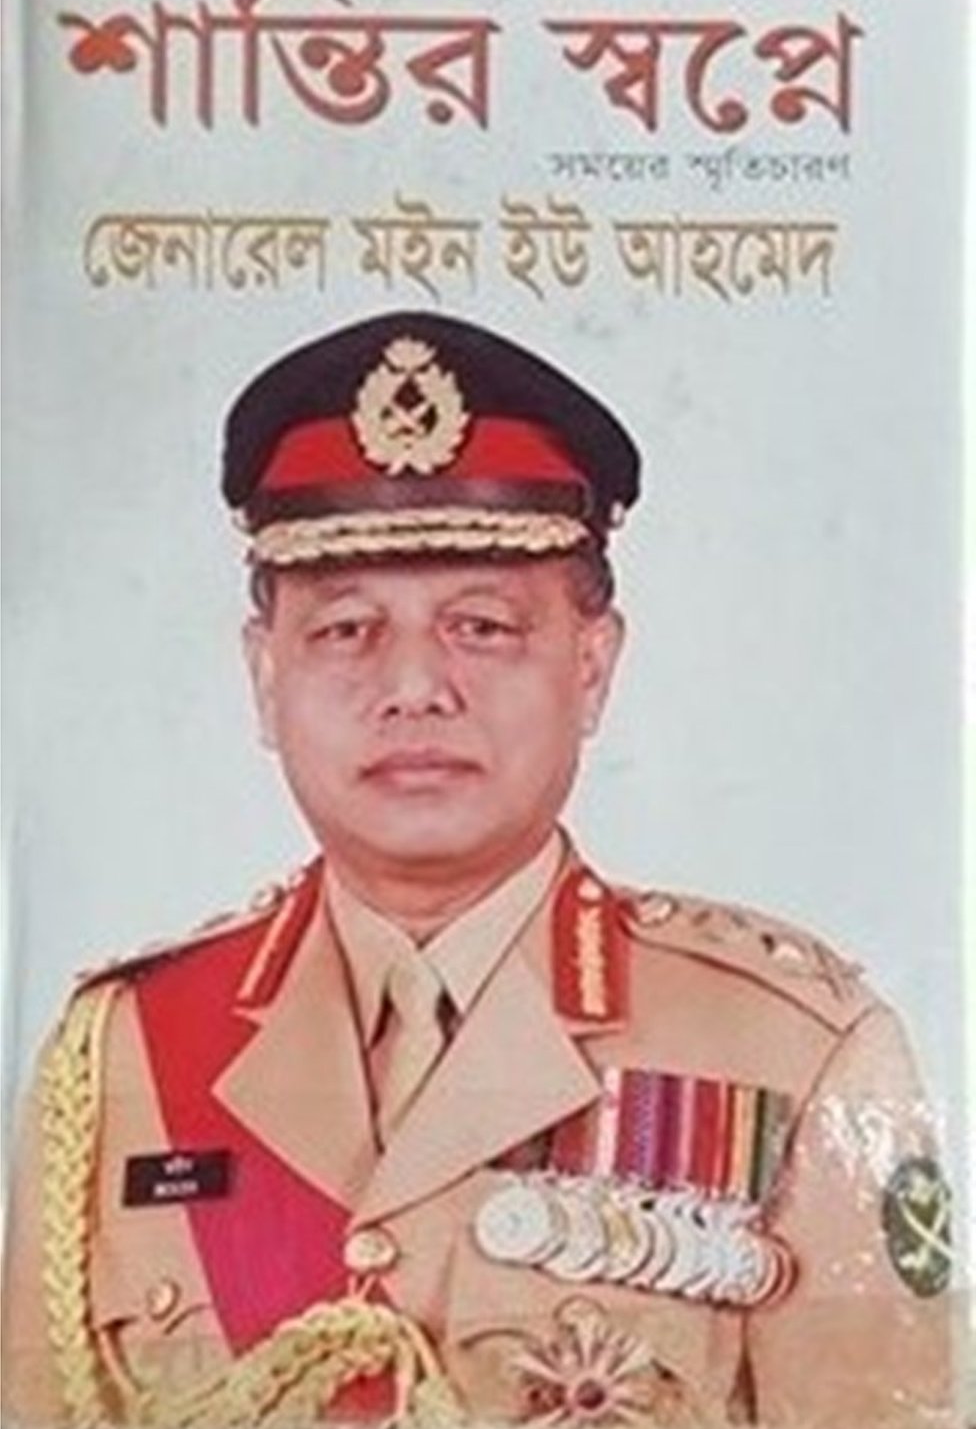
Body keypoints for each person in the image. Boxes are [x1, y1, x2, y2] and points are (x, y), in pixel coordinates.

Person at [2, 312, 954, 1429]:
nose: (415, 688)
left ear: (591, 666)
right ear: (264, 676)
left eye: (483, 627)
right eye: (346, 630)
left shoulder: (796, 1053)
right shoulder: (125, 1055)